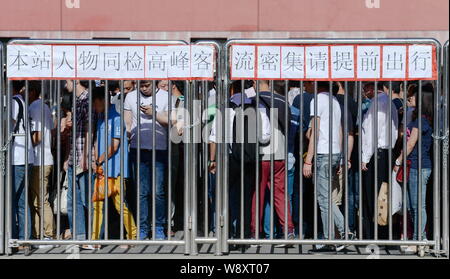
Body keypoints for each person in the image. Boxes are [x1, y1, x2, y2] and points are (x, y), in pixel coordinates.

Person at [209, 80, 271, 246]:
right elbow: (266, 136)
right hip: (249, 159)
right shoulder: (258, 108)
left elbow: (214, 137)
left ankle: (225, 235)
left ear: (231, 90)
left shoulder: (224, 109)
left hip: (227, 158)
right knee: (246, 197)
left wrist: (212, 160)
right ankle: (242, 236)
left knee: (225, 197)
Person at [250, 80, 295, 247]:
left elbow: (257, 129)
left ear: (256, 82)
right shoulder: (283, 100)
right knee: (280, 195)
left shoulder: (254, 101)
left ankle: (255, 234)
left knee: (257, 195)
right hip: (280, 152)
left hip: (261, 154)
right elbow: (288, 127)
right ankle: (288, 231)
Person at [303, 81, 345, 252]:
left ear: (315, 84)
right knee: (325, 197)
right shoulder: (334, 101)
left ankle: (343, 233)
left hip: (323, 153)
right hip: (334, 152)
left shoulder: (317, 100)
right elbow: (340, 130)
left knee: (323, 199)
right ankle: (334, 237)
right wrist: (340, 157)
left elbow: (315, 132)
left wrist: (308, 160)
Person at [124, 80, 169, 240]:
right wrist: (128, 134)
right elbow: (127, 121)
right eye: (141, 85)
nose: (144, 88)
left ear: (154, 83)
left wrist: (154, 114)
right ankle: (142, 227)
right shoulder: (130, 96)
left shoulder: (165, 96)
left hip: (160, 148)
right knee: (141, 191)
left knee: (158, 191)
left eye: (147, 85)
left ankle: (158, 227)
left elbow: (172, 120)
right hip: (138, 149)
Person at [91, 87, 137, 243]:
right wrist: (95, 161)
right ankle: (94, 239)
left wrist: (99, 160)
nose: (94, 107)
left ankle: (133, 235)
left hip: (117, 170)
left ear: (103, 100)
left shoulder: (117, 118)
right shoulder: (100, 118)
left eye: (95, 103)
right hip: (103, 169)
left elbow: (114, 146)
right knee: (97, 204)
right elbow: (98, 142)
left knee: (120, 205)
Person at [394, 90, 433, 253]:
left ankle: (420, 240)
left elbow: (410, 144)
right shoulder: (417, 119)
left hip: (419, 166)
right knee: (411, 205)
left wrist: (398, 161)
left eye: (414, 95)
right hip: (413, 165)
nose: (410, 97)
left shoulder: (421, 121)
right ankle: (417, 238)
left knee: (417, 205)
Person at [361, 81, 398, 240]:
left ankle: (374, 234)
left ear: (372, 87)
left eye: (365, 87)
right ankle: (383, 232)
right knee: (384, 193)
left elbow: (371, 133)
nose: (363, 90)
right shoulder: (390, 102)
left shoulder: (378, 103)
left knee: (373, 195)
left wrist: (365, 157)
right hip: (387, 152)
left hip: (377, 154)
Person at [65, 80, 96, 249]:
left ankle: (92, 237)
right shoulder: (76, 100)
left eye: (67, 80)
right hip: (73, 157)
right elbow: (75, 132)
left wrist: (85, 157)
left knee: (87, 200)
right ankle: (80, 237)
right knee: (73, 200)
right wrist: (67, 158)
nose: (65, 83)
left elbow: (89, 129)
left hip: (82, 156)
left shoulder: (87, 99)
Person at [28, 81, 55, 245]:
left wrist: (24, 142)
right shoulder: (44, 107)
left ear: (32, 92)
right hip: (45, 157)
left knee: (40, 200)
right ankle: (40, 234)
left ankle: (48, 234)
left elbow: (37, 137)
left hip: (39, 159)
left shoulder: (34, 108)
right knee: (38, 199)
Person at [11, 80, 34, 243]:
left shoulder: (13, 102)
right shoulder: (23, 102)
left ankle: (11, 237)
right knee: (22, 199)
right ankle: (24, 238)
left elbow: (9, 125)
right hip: (27, 156)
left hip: (17, 156)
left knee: (12, 199)